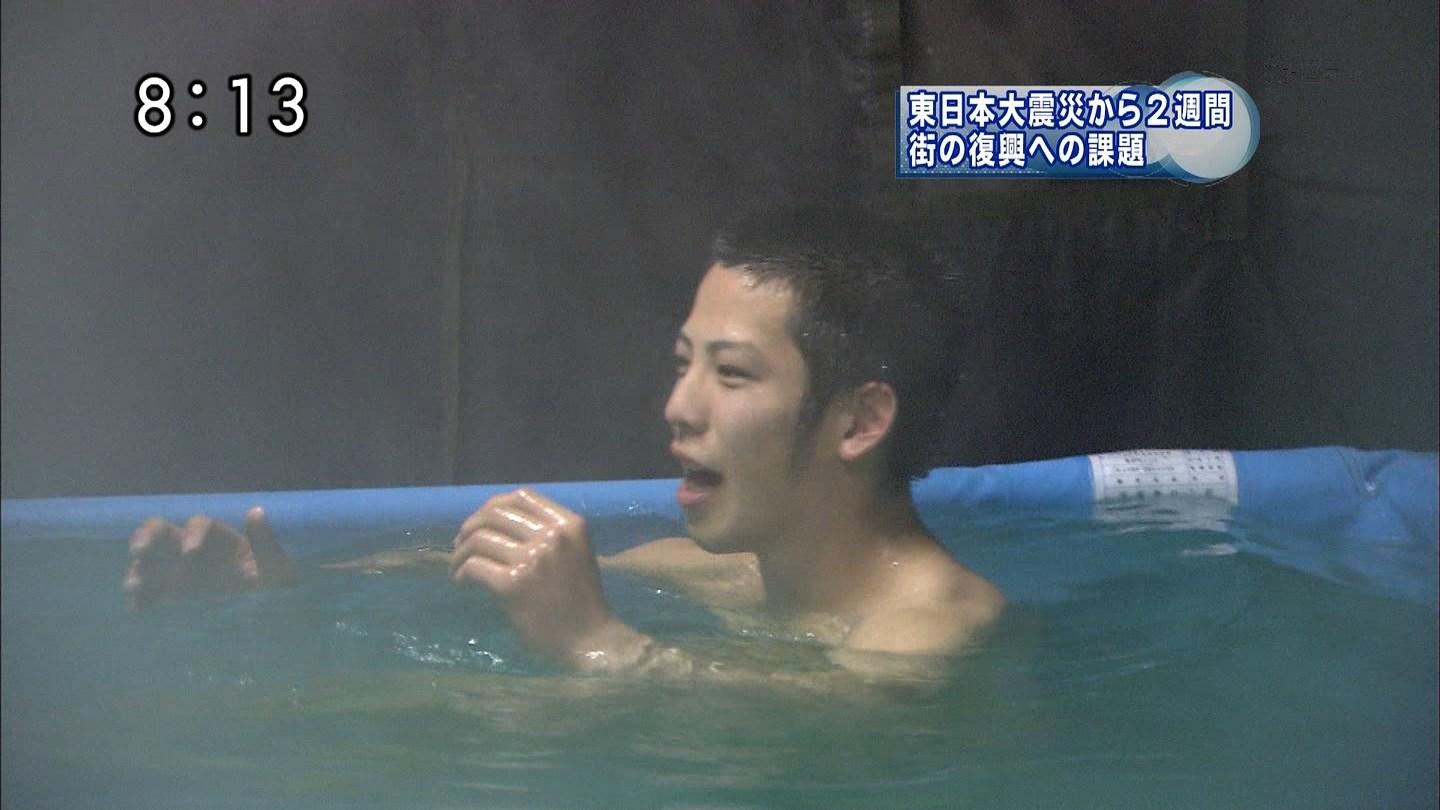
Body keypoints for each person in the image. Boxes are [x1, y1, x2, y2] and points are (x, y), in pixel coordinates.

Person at [124, 202, 1004, 679]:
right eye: (683, 364)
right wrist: (284, 594)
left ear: (859, 421)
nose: (678, 406)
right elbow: (457, 568)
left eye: (731, 374)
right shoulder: (727, 575)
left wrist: (603, 644)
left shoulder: (936, 633)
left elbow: (836, 718)